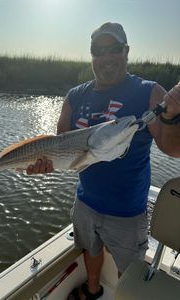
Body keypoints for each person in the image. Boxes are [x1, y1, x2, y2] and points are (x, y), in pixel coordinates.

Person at [26, 22, 180, 300]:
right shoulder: (75, 95)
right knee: (90, 249)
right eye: (99, 50)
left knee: (128, 270)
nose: (107, 57)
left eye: (114, 49)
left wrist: (171, 116)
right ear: (92, 55)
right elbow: (61, 147)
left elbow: (172, 149)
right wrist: (44, 165)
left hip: (128, 213)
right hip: (85, 203)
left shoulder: (150, 92)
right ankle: (93, 289)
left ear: (126, 51)